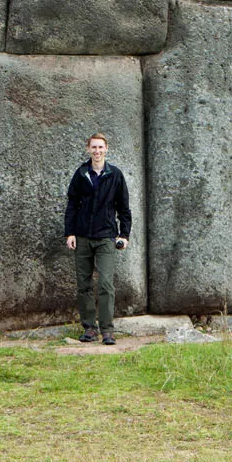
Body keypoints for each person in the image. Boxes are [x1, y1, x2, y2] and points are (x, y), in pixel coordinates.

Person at [63, 132, 131, 345]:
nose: (97, 151)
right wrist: (70, 233)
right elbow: (72, 205)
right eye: (94, 147)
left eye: (101, 147)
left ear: (106, 149)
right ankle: (89, 328)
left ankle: (107, 331)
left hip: (105, 238)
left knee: (105, 284)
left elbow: (123, 208)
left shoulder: (115, 175)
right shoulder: (81, 173)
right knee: (83, 285)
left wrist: (124, 234)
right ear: (88, 149)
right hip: (82, 237)